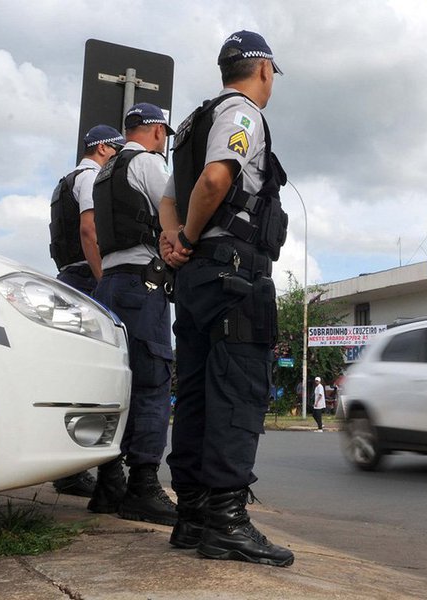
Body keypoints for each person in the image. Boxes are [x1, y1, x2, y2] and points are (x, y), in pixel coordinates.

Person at [158, 30, 293, 567]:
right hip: (232, 276)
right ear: (263, 70)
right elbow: (216, 180)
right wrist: (188, 238)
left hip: (194, 281)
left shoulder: (192, 125)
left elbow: (170, 198)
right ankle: (227, 524)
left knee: (194, 395)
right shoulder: (242, 114)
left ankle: (191, 517)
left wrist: (175, 240)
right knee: (237, 393)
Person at [85, 103, 178, 525]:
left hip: (109, 284)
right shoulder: (148, 163)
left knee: (113, 387)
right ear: (157, 131)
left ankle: (109, 483)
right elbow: (173, 210)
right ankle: (143, 484)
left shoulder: (104, 172)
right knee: (151, 385)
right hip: (144, 285)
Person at [48, 124, 123, 497]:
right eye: (117, 149)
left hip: (67, 275)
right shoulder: (92, 177)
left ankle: (68, 470)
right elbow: (89, 230)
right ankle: (79, 472)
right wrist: (103, 278)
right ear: (105, 149)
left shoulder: (66, 180)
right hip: (85, 276)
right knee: (99, 381)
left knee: (75, 380)